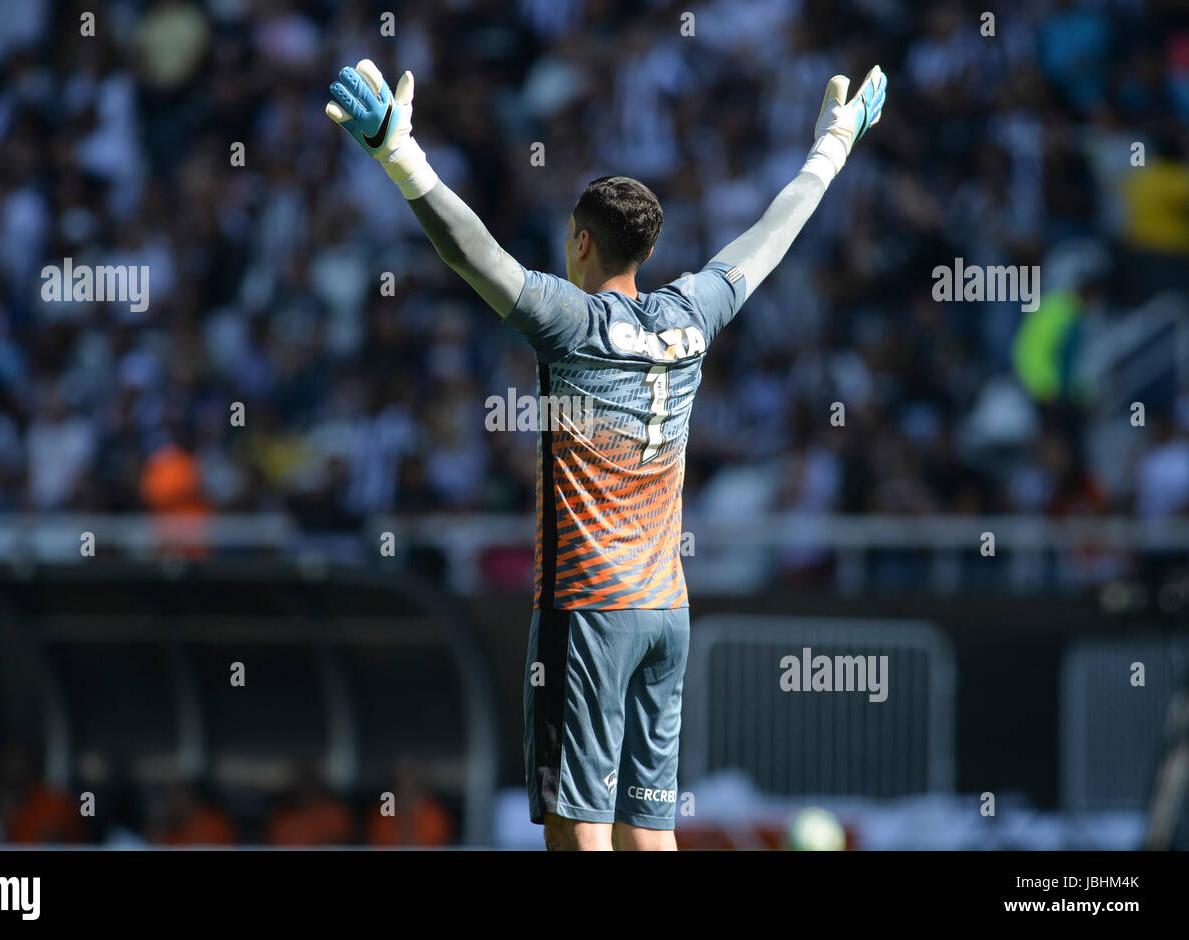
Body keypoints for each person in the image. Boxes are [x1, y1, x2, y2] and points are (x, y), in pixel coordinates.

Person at [327, 59, 886, 850]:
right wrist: (833, 144)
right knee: (648, 834)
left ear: (581, 242)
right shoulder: (692, 311)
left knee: (579, 832)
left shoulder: (572, 322)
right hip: (666, 610)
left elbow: (471, 256)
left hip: (589, 609)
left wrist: (399, 156)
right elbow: (773, 233)